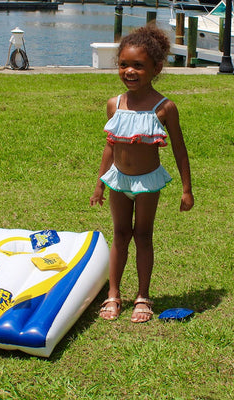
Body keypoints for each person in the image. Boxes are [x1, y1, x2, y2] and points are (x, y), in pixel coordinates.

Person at [90, 24, 194, 323]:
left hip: (148, 182)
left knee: (143, 235)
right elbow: (110, 147)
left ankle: (143, 296)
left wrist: (186, 189)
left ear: (156, 68)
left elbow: (179, 149)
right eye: (123, 64)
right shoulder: (115, 104)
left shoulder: (165, 107)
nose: (130, 71)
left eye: (138, 65)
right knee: (120, 234)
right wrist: (99, 185)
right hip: (118, 181)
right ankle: (113, 294)